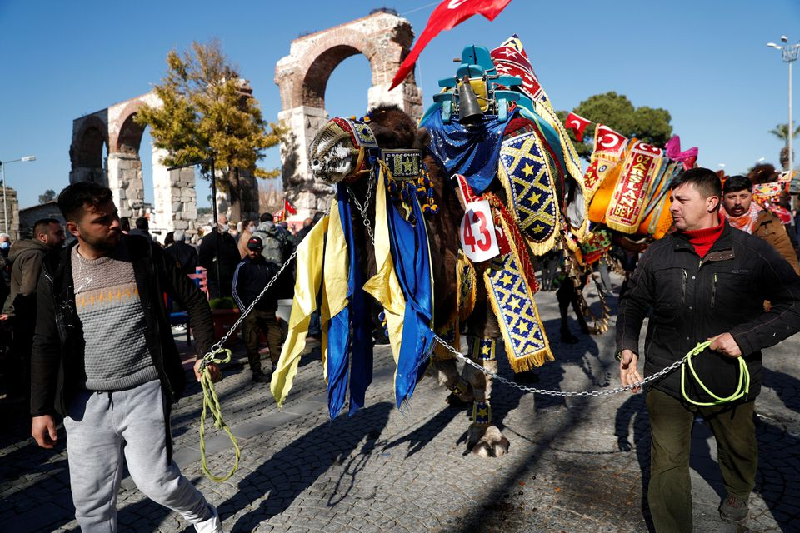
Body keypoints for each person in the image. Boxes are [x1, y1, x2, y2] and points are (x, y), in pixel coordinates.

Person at [30, 182, 224, 532]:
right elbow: (45, 341)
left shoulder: (144, 253)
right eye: (102, 220)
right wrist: (40, 408)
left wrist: (205, 353)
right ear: (74, 229)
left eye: (115, 214)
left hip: (144, 390)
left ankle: (203, 514)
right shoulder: (55, 272)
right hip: (84, 403)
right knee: (91, 504)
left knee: (156, 481)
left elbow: (194, 301)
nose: (116, 223)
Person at [616, 168, 800, 531]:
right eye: (671, 200)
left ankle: (737, 492)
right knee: (666, 463)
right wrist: (627, 346)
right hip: (668, 375)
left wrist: (744, 338)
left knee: (738, 448)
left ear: (711, 202)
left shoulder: (752, 252)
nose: (672, 207)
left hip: (728, 376)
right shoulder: (658, 252)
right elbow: (633, 301)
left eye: (681, 200)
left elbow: (794, 303)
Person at [1, 218, 65, 403]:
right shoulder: (36, 255)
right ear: (42, 237)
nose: (62, 237)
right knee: (33, 361)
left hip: (23, 315)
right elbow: (29, 290)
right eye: (58, 234)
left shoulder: (31, 252)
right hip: (32, 317)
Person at [721, 175, 800, 275]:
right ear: (723, 198)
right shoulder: (713, 222)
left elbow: (787, 257)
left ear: (751, 196)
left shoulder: (769, 223)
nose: (738, 202)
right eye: (732, 197)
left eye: (743, 196)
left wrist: (792, 286)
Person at [232, 236, 282, 383]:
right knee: (251, 341)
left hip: (268, 309)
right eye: (251, 249)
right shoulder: (242, 266)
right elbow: (235, 290)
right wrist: (244, 309)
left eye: (256, 249)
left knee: (275, 338)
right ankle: (256, 371)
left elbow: (276, 286)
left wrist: (273, 303)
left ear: (261, 249)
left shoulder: (268, 266)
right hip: (250, 310)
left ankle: (276, 366)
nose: (253, 252)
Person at [198, 214, 240, 299]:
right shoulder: (209, 239)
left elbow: (236, 257)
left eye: (227, 222)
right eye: (225, 222)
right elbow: (202, 259)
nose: (226, 224)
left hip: (229, 278)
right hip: (214, 279)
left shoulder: (230, 239)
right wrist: (213, 267)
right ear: (218, 224)